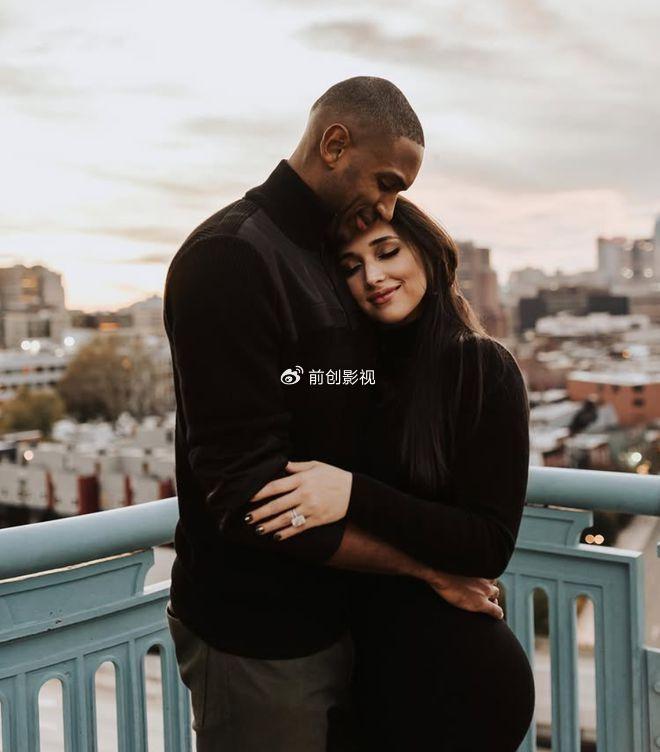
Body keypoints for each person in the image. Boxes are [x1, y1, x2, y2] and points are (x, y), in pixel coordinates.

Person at [163, 77, 502, 752]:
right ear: (334, 143)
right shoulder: (230, 257)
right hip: (262, 637)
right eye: (386, 183)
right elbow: (249, 495)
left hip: (351, 623)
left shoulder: (333, 255)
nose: (389, 205)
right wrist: (424, 568)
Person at [247, 197, 536, 750]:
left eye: (387, 252)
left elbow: (489, 545)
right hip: (369, 670)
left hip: (456, 678)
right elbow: (277, 383)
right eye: (351, 266)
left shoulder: (480, 364)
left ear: (427, 252)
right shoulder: (354, 374)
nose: (372, 277)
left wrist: (353, 493)